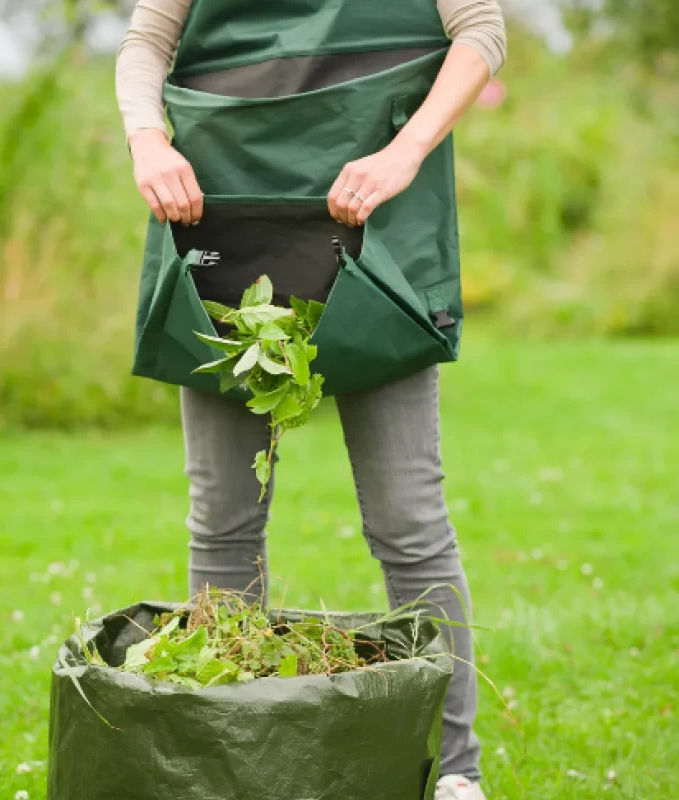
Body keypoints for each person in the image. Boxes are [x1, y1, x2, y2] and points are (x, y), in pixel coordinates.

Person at [116, 3, 506, 799]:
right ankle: (228, 755)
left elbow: (483, 32)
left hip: (377, 234)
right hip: (225, 235)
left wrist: (404, 152)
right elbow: (147, 41)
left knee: (410, 523)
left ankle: (454, 772)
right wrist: (147, 138)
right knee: (223, 522)